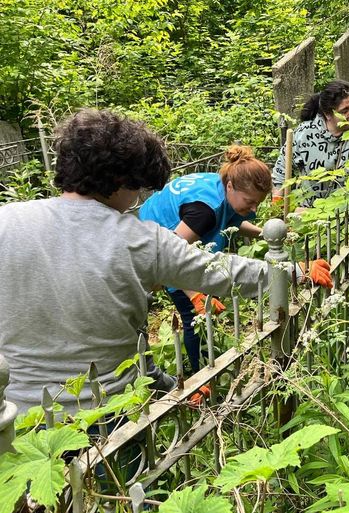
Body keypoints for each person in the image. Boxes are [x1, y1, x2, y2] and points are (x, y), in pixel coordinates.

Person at [0, 109, 328, 417]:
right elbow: (222, 271)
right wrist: (296, 271)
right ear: (122, 181)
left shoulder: (7, 222)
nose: (139, 198)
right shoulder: (141, 240)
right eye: (139, 186)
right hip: (109, 416)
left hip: (18, 421)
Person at [138, 145, 272, 373]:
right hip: (157, 233)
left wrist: (264, 234)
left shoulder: (226, 185)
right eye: (250, 202)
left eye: (258, 203)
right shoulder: (204, 212)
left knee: (205, 307)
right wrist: (194, 293)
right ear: (230, 187)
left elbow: (234, 221)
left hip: (181, 232)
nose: (254, 208)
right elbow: (170, 257)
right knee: (194, 316)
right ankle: (200, 375)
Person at [272, 79, 349, 208]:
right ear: (328, 114)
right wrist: (277, 209)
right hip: (310, 216)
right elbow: (281, 172)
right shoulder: (303, 134)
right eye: (345, 111)